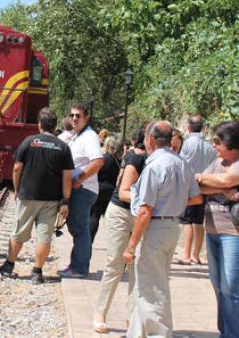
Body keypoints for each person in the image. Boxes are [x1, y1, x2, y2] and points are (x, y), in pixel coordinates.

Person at [122, 121, 201, 337]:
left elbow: (145, 211)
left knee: (152, 290)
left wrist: (131, 245)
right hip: (172, 226)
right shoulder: (182, 163)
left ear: (150, 140)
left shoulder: (154, 166)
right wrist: (173, 201)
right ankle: (135, 332)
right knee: (149, 282)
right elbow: (196, 197)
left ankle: (159, 333)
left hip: (155, 229)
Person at [196, 121, 239, 338]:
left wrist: (205, 178)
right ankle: (226, 331)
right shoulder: (218, 161)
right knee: (218, 285)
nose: (214, 145)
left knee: (230, 288)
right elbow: (199, 187)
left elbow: (226, 178)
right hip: (213, 229)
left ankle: (233, 335)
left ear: (231, 143)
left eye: (217, 141)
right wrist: (225, 191)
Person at [0, 107, 73, 283]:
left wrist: (17, 189)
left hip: (28, 195)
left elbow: (16, 168)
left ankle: (9, 265)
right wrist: (66, 200)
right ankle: (37, 272)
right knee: (44, 236)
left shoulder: (28, 141)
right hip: (51, 200)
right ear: (54, 126)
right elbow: (67, 176)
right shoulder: (63, 147)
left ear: (39, 124)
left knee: (19, 232)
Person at [92, 126, 147, 333]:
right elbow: (122, 191)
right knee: (115, 264)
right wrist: (151, 200)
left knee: (137, 268)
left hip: (141, 216)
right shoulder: (135, 157)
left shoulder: (149, 158)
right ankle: (100, 312)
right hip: (123, 213)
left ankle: (131, 318)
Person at [58, 103, 104, 278]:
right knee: (77, 227)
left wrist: (79, 179)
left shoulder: (90, 137)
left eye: (78, 116)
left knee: (80, 229)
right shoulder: (78, 135)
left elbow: (98, 161)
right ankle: (76, 264)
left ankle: (79, 268)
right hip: (80, 189)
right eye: (72, 115)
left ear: (87, 118)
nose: (74, 118)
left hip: (83, 190)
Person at [173, 115, 217, 265]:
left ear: (188, 127)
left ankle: (185, 254)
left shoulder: (186, 145)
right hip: (204, 187)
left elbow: (180, 165)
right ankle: (196, 255)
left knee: (186, 221)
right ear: (203, 128)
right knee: (198, 221)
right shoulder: (210, 148)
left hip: (187, 186)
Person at [89, 135, 121, 241]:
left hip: (99, 190)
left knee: (94, 215)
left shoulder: (103, 159)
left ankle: (90, 238)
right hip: (111, 192)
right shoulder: (116, 161)